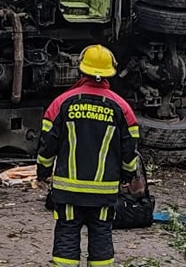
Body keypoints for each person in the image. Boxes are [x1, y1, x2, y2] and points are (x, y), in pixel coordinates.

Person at [37, 44, 140, 267]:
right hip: (103, 192)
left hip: (68, 190)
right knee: (101, 235)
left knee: (67, 234)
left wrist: (43, 172)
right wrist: (127, 175)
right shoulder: (122, 108)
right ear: (109, 73)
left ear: (81, 70)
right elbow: (130, 149)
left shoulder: (61, 103)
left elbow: (47, 144)